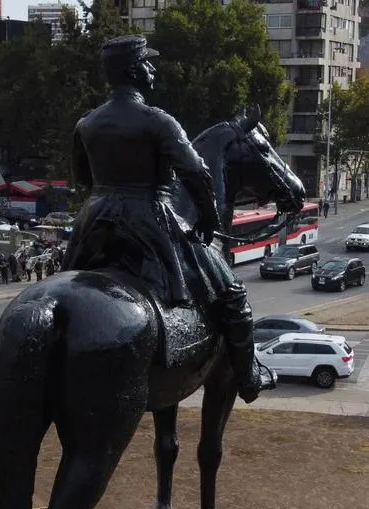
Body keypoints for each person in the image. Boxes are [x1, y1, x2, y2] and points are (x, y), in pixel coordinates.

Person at [61, 35, 274, 404]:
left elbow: (82, 179)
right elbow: (199, 174)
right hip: (149, 218)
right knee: (233, 294)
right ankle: (249, 378)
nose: (153, 69)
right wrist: (207, 218)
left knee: (66, 283)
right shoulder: (158, 122)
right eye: (147, 63)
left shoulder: (86, 124)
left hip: (93, 221)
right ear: (133, 70)